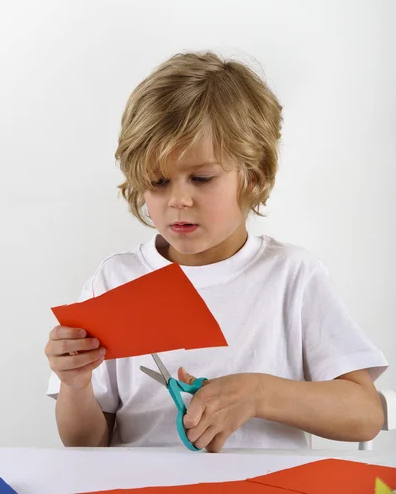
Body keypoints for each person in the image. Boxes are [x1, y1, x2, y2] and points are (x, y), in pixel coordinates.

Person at [45, 51, 388, 452]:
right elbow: (83, 445)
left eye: (202, 178)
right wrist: (75, 385)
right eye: (157, 181)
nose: (179, 200)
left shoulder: (291, 275)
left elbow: (366, 416)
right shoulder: (114, 280)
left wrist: (260, 394)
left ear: (254, 178)